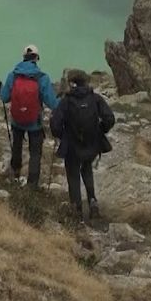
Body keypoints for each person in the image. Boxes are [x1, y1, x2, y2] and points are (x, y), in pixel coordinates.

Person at [50, 69, 116, 220]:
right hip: (92, 144)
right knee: (87, 168)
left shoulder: (66, 101)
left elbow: (55, 124)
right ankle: (92, 201)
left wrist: (62, 136)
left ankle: (77, 209)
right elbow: (109, 118)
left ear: (71, 84)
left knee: (73, 174)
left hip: (72, 146)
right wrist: (100, 130)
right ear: (86, 82)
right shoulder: (95, 98)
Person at [0, 45, 58, 188]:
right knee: (35, 153)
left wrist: (0, 90)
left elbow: (5, 97)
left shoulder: (13, 75)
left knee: (17, 147)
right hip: (35, 123)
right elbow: (52, 103)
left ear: (23, 57)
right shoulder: (42, 78)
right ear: (36, 59)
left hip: (17, 120)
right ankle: (32, 185)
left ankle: (15, 175)